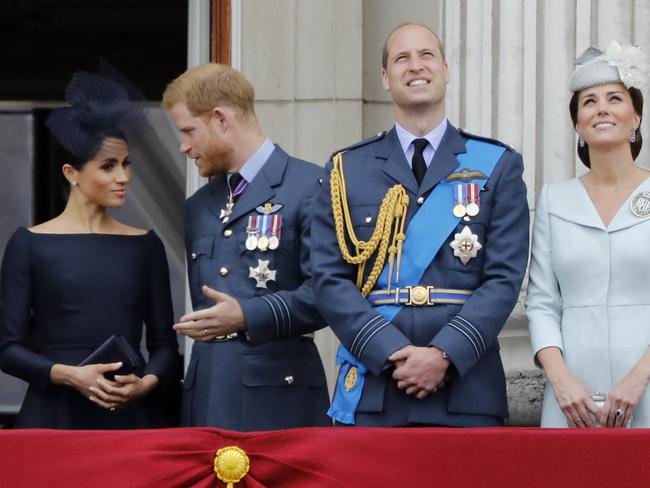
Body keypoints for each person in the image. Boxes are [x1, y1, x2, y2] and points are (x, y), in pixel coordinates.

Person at [311, 23, 529, 427]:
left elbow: (503, 279)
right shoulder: (347, 169)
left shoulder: (497, 165)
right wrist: (390, 352)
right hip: (377, 385)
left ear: (445, 69)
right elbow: (328, 278)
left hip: (466, 387)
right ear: (385, 78)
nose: (416, 66)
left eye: (426, 55)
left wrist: (444, 354)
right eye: (402, 58)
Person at [0, 69, 179, 429]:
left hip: (130, 417)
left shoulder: (146, 245)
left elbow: (165, 347)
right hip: (54, 417)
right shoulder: (29, 243)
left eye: (126, 164)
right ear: (71, 173)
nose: (123, 177)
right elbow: (7, 350)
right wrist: (68, 375)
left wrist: (145, 384)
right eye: (108, 166)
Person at [162, 63, 330, 431]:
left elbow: (328, 294)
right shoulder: (199, 205)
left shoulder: (311, 185)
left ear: (220, 119)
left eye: (189, 131)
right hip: (205, 393)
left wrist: (247, 315)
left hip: (279, 397)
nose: (184, 146)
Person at [526, 42, 650, 428]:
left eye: (615, 98)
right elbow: (542, 302)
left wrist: (637, 380)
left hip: (645, 387)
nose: (602, 109)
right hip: (571, 398)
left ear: (635, 119)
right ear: (578, 124)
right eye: (589, 102)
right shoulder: (554, 200)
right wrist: (561, 382)